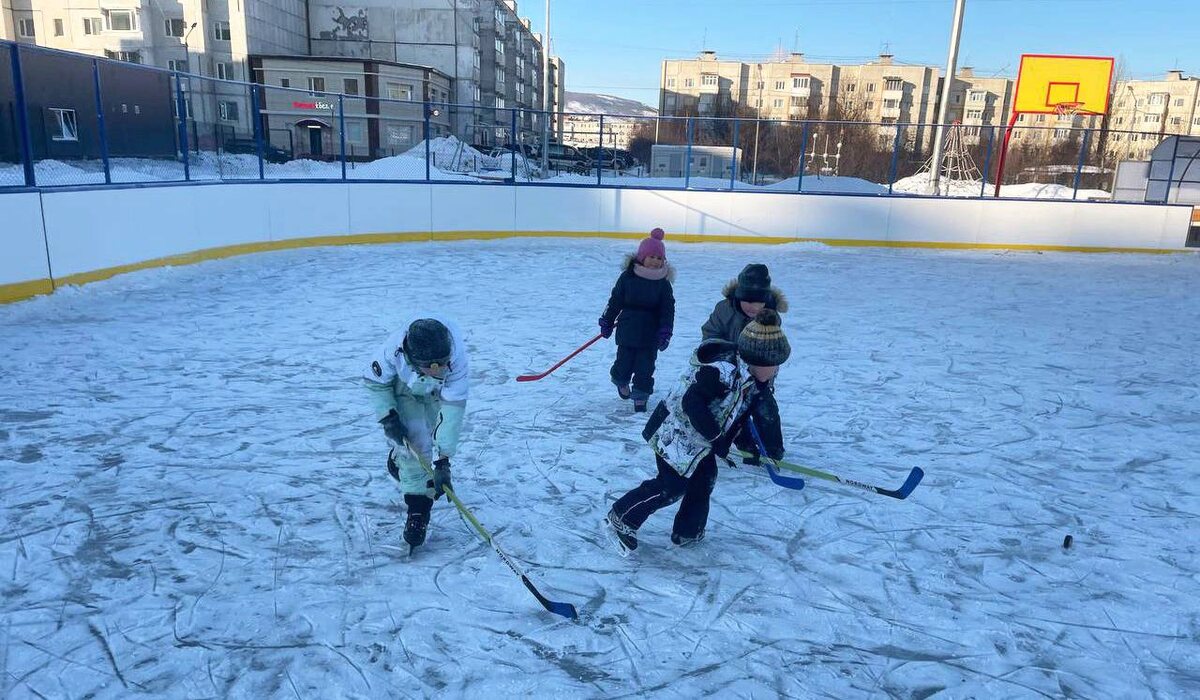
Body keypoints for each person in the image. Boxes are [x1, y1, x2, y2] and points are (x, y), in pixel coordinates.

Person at [605, 309, 790, 554]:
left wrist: (749, 450)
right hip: (675, 432)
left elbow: (740, 417)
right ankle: (622, 516)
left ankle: (688, 530)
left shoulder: (752, 384)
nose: (776, 370)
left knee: (704, 480)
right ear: (756, 359)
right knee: (672, 485)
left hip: (700, 439)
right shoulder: (721, 372)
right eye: (774, 364)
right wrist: (717, 438)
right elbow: (691, 403)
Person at [363, 316, 469, 551]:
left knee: (432, 428)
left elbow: (451, 412)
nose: (438, 368)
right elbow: (375, 383)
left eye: (442, 363)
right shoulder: (391, 353)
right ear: (412, 359)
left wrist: (443, 460)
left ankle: (396, 461)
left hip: (435, 389)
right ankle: (418, 511)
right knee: (414, 445)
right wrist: (388, 415)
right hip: (401, 386)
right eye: (432, 365)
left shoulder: (456, 362)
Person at [598, 227, 676, 413]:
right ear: (642, 257)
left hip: (650, 332)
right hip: (628, 329)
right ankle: (621, 380)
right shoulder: (628, 277)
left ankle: (641, 395)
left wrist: (665, 330)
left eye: (659, 258)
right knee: (623, 363)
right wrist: (607, 320)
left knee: (645, 367)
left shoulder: (663, 283)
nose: (655, 261)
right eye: (651, 257)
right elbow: (615, 300)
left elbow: (668, 309)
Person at [701, 263, 787, 343]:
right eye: (748, 301)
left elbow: (771, 347)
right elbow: (710, 333)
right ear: (739, 297)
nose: (754, 307)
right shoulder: (724, 309)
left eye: (759, 302)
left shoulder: (770, 318)